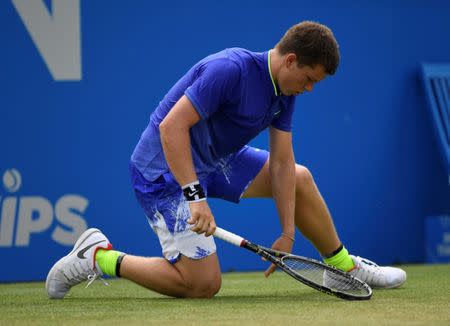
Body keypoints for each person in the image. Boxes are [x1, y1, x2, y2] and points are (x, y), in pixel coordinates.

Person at [46, 21, 406, 299]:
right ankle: (97, 257)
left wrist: (286, 233)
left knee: (300, 176)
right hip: (163, 170)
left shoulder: (286, 89)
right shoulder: (229, 69)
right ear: (292, 60)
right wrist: (195, 198)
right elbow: (172, 128)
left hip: (216, 161)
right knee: (202, 285)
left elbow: (282, 162)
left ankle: (341, 267)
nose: (309, 89)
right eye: (309, 79)